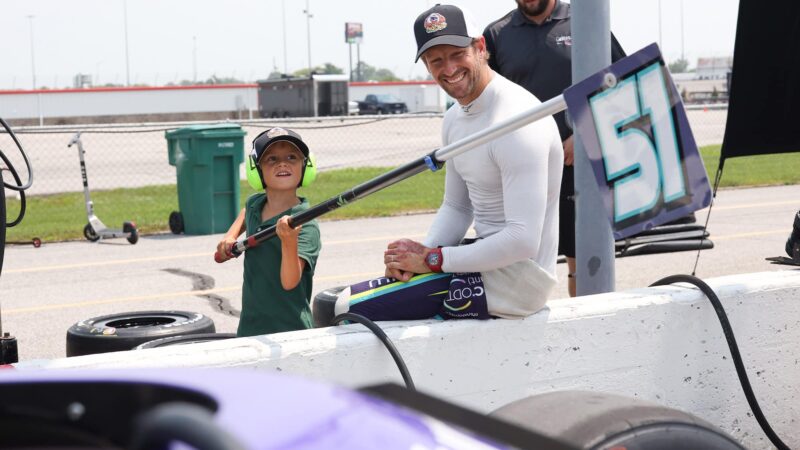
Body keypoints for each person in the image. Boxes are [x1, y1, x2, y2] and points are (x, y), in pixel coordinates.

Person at [321, 4, 563, 323]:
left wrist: (433, 259)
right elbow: (457, 208)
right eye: (436, 60)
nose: (448, 69)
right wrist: (416, 259)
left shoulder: (516, 120)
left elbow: (522, 241)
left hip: (518, 282)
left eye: (456, 54)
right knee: (335, 299)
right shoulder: (454, 120)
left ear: (480, 48)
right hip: (485, 265)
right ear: (426, 65)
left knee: (339, 310)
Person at [483, 0, 626, 297]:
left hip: (578, 166)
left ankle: (587, 326)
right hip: (522, 167)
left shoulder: (584, 23)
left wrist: (586, 134)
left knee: (581, 259)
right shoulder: (497, 34)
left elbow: (619, 85)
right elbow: (487, 100)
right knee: (522, 258)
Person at [217, 127, 321, 336]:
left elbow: (290, 282)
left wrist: (288, 241)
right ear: (256, 170)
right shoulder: (256, 203)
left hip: (291, 331)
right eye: (271, 159)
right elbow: (247, 211)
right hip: (250, 326)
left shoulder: (306, 224)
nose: (283, 163)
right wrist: (230, 237)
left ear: (305, 167)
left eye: (292, 157)